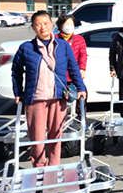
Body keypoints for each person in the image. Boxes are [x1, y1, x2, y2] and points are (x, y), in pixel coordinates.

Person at [11, 10, 87, 167]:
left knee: (56, 137)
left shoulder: (63, 46)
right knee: (37, 139)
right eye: (38, 24)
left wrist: (80, 87)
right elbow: (16, 71)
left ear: (52, 25)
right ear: (32, 27)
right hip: (35, 99)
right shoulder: (26, 48)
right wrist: (18, 92)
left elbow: (73, 68)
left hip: (58, 98)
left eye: (45, 23)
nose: (42, 27)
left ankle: (53, 168)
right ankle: (39, 169)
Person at [55, 14, 87, 82]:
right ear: (61, 25)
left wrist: (82, 69)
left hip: (74, 74)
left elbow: (83, 55)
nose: (69, 26)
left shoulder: (79, 39)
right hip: (57, 75)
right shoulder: (54, 39)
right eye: (67, 24)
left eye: (71, 24)